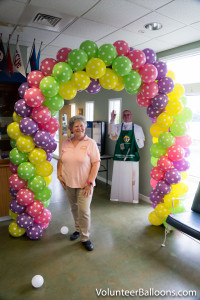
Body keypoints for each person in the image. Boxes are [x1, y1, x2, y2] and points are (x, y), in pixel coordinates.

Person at [57, 115, 100, 251]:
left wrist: (90, 182)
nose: (79, 128)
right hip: (69, 183)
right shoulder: (66, 143)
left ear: (85, 127)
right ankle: (78, 229)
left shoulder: (90, 143)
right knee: (74, 208)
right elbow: (61, 160)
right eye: (76, 126)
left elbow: (96, 163)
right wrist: (59, 174)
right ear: (71, 128)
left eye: (81, 125)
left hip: (85, 184)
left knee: (84, 211)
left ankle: (85, 237)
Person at [109, 109, 145, 203]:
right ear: (122, 117)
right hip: (120, 155)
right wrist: (112, 120)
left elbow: (141, 144)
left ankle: (132, 198)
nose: (126, 117)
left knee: (132, 177)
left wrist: (133, 145)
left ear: (131, 116)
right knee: (119, 176)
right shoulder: (118, 126)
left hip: (132, 156)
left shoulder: (138, 128)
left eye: (128, 114)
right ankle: (118, 197)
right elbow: (113, 136)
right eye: (124, 115)